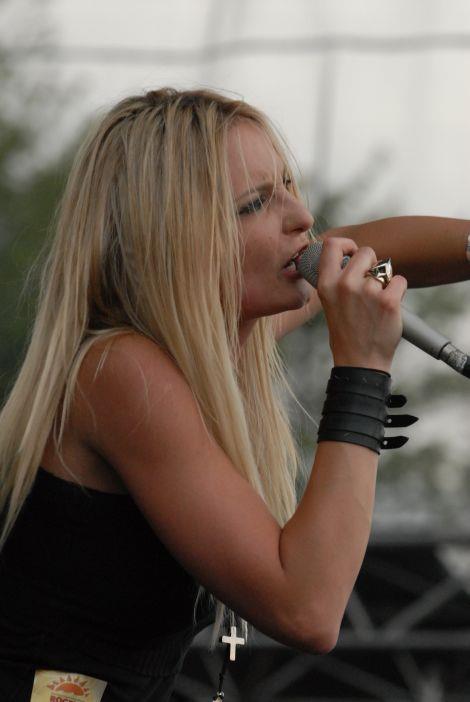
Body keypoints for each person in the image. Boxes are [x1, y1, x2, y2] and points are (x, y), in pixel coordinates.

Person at [0, 86, 468, 702]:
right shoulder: (122, 373)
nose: (301, 217)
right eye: (254, 204)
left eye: (288, 186)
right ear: (174, 239)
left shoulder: (206, 349)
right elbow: (308, 608)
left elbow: (365, 252)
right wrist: (363, 368)